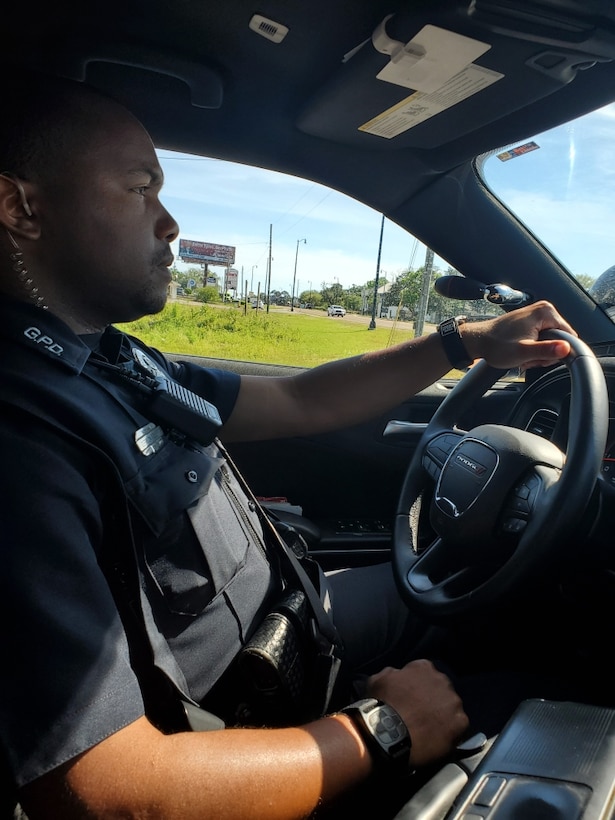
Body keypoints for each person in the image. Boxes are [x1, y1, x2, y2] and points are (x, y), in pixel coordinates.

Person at [0, 70, 576, 820]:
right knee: (539, 703)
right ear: (20, 207)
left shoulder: (113, 362)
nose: (168, 222)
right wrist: (383, 730)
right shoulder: (21, 434)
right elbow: (110, 790)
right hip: (228, 731)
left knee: (508, 606)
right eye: (142, 188)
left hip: (290, 633)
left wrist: (463, 340)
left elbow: (305, 398)